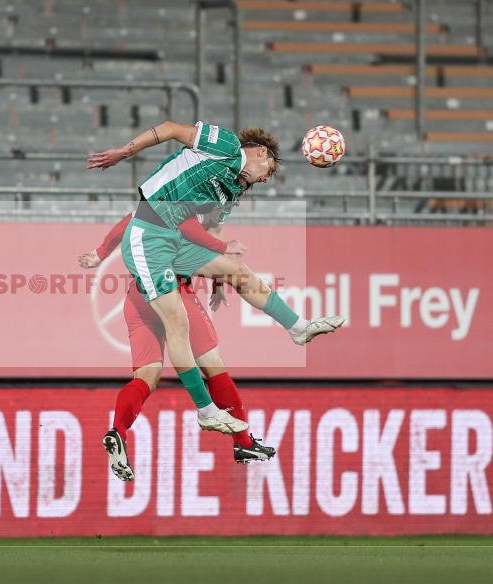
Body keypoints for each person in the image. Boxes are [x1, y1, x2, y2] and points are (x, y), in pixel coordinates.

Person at [87, 121, 345, 449]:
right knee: (178, 323)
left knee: (239, 272)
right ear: (261, 152)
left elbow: (214, 231)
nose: (267, 178)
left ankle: (298, 327)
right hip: (148, 234)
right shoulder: (223, 145)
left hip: (174, 239)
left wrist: (220, 279)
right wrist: (126, 152)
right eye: (269, 170)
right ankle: (207, 411)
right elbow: (169, 128)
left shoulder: (232, 190)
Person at [78, 211, 275, 481]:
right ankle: (243, 442)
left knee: (146, 376)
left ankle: (118, 431)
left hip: (138, 296)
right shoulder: (194, 202)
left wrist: (99, 254)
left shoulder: (152, 202)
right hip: (174, 292)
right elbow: (209, 245)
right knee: (213, 366)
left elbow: (124, 225)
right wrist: (221, 278)